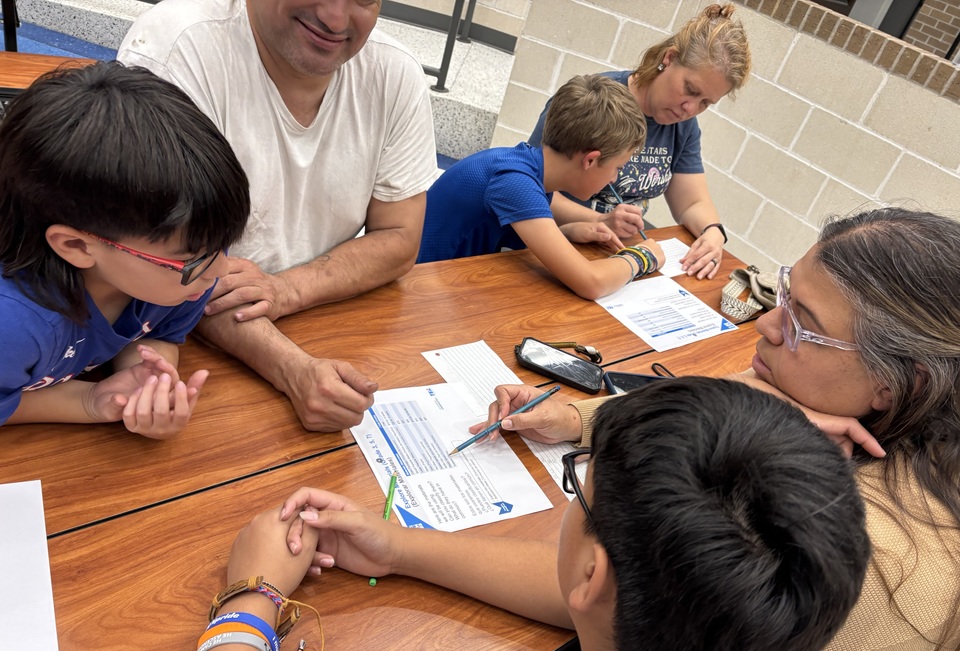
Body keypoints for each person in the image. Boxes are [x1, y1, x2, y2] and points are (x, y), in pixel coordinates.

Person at [471, 208, 960, 651]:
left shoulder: (873, 548)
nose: (767, 324)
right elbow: (714, 414)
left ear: (898, 382)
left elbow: (602, 588)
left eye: (803, 324)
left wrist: (400, 547)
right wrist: (575, 417)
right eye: (784, 292)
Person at [158, 378, 870, 651]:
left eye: (580, 483)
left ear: (595, 570)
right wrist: (400, 548)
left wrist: (249, 601)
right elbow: (612, 600)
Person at [118, 0, 438, 432]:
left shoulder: (395, 72)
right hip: (179, 349)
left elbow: (400, 238)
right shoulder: (180, 48)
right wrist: (293, 370)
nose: (336, 19)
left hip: (319, 328)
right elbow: (177, 271)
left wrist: (286, 290)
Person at [0, 61, 250, 438]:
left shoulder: (186, 276)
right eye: (192, 259)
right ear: (76, 246)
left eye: (222, 244)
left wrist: (150, 381)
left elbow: (156, 335)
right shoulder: (14, 326)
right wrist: (88, 401)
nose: (221, 271)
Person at [528, 3, 751, 281]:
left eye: (705, 102)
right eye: (690, 90)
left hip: (622, 252)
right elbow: (531, 189)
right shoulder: (594, 102)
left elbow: (693, 201)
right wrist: (597, 220)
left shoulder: (684, 127)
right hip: (557, 243)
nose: (690, 108)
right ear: (669, 59)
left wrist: (713, 232)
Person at [418, 75, 665, 300]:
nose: (613, 179)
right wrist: (642, 257)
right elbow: (591, 282)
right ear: (590, 160)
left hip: (445, 283)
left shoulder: (531, 167)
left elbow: (518, 236)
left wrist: (567, 232)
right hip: (416, 291)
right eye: (617, 168)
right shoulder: (514, 182)